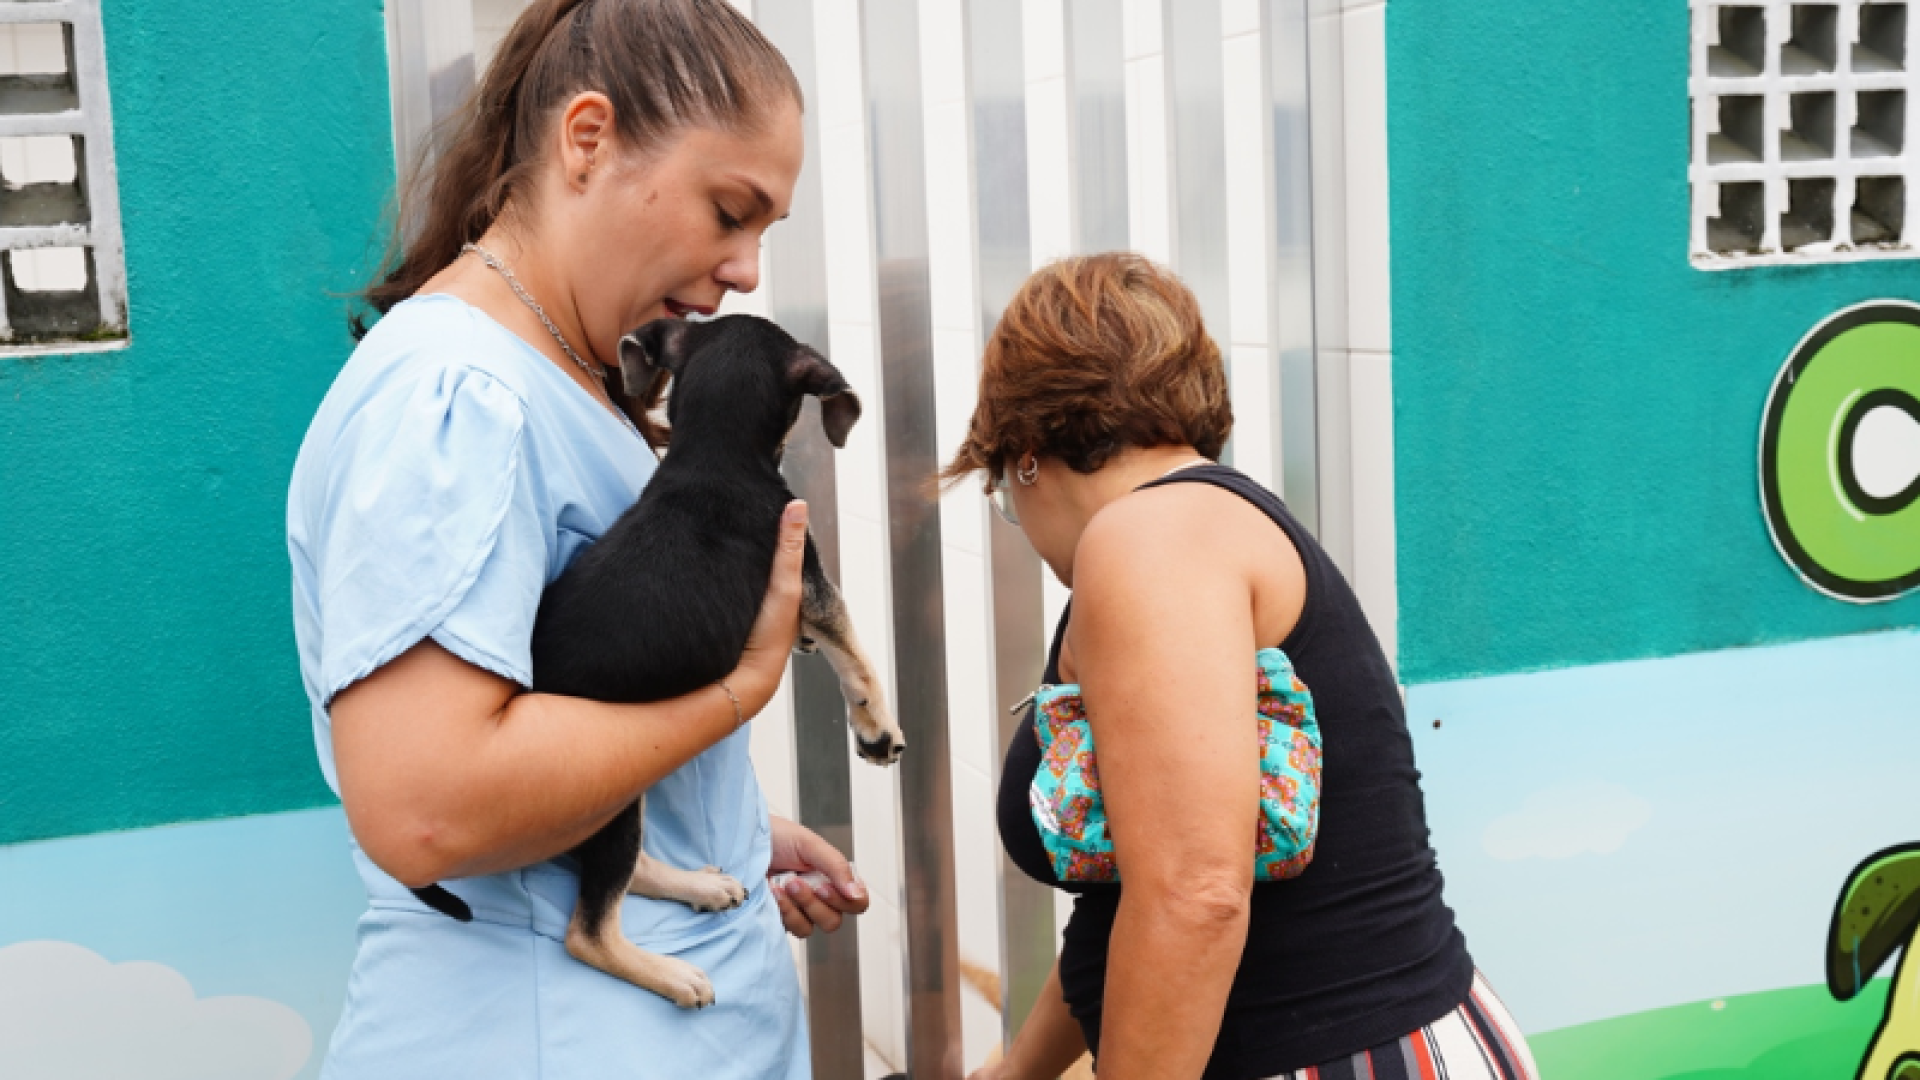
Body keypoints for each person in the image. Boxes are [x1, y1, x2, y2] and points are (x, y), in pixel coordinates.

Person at [285, 2, 862, 1075]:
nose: (746, 271)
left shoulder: (559, 373)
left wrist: (714, 835)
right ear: (586, 139)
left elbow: (566, 709)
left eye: (765, 233)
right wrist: (736, 693)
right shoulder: (456, 399)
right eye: (730, 210)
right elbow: (430, 808)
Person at [946, 254, 1539, 1080]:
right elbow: (1124, 899)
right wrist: (1020, 1072)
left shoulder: (1145, 543)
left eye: (1003, 497)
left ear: (1025, 451)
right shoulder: (1192, 527)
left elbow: (1193, 897)